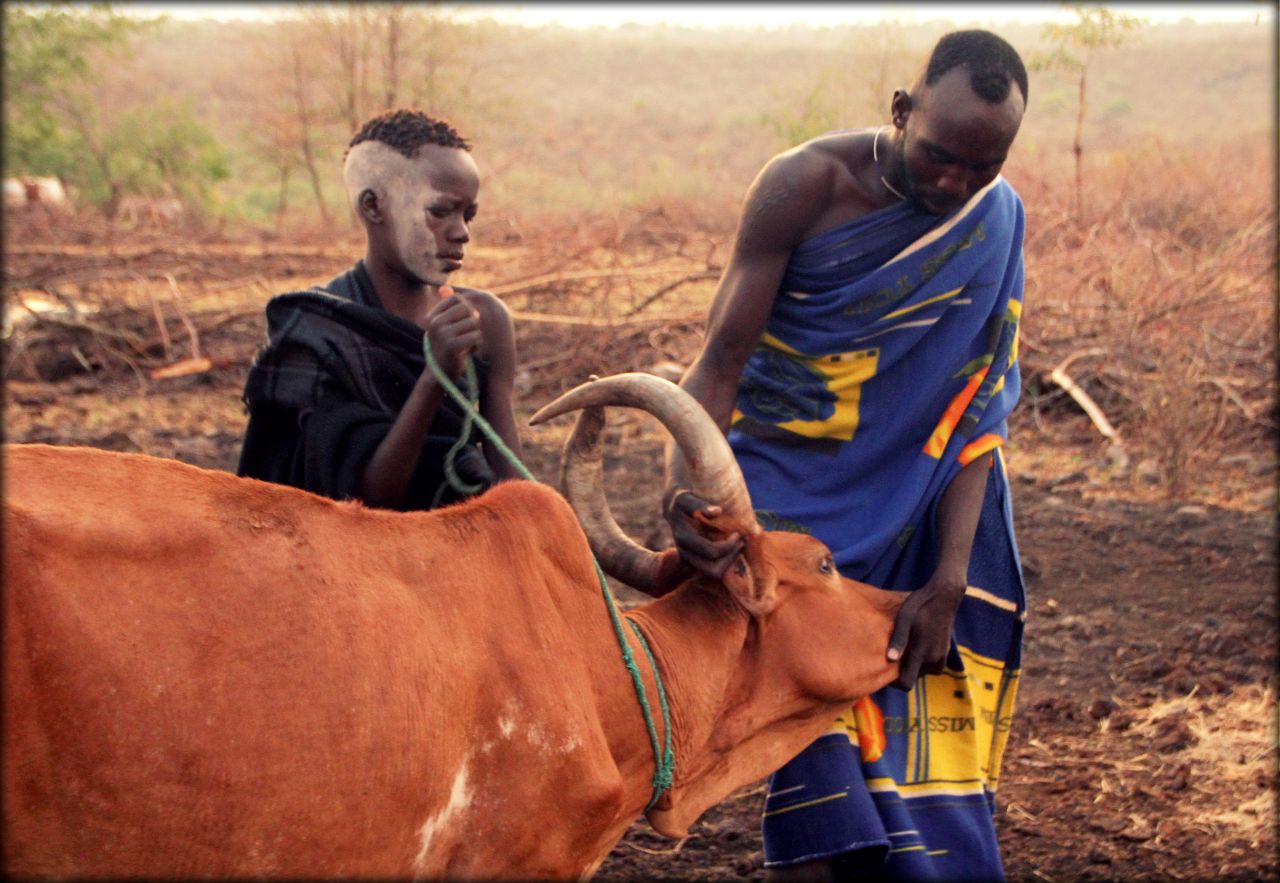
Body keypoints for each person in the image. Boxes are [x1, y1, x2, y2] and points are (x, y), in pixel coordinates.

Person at [663, 31, 1029, 881]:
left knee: (918, 768)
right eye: (939, 156)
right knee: (814, 774)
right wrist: (688, 493)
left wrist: (950, 577)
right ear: (901, 112)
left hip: (924, 514)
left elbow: (978, 404)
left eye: (983, 166)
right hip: (795, 516)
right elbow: (721, 357)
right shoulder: (803, 187)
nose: (955, 185)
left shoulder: (996, 218)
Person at [237, 109, 523, 510]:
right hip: (351, 554)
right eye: (440, 211)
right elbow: (367, 500)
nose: (462, 232)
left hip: (458, 546)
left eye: (468, 213)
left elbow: (512, 488)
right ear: (374, 208)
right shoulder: (317, 335)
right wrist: (434, 375)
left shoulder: (484, 319)